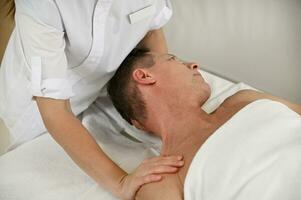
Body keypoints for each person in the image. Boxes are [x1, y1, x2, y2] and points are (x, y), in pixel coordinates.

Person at [0, 1, 185, 199]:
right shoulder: (44, 5)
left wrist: (171, 117)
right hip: (31, 118)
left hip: (101, 97)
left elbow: (150, 31)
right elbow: (55, 111)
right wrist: (121, 183)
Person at [107, 48, 301, 199]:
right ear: (144, 76)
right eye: (174, 60)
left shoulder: (243, 99)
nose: (193, 65)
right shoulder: (162, 181)